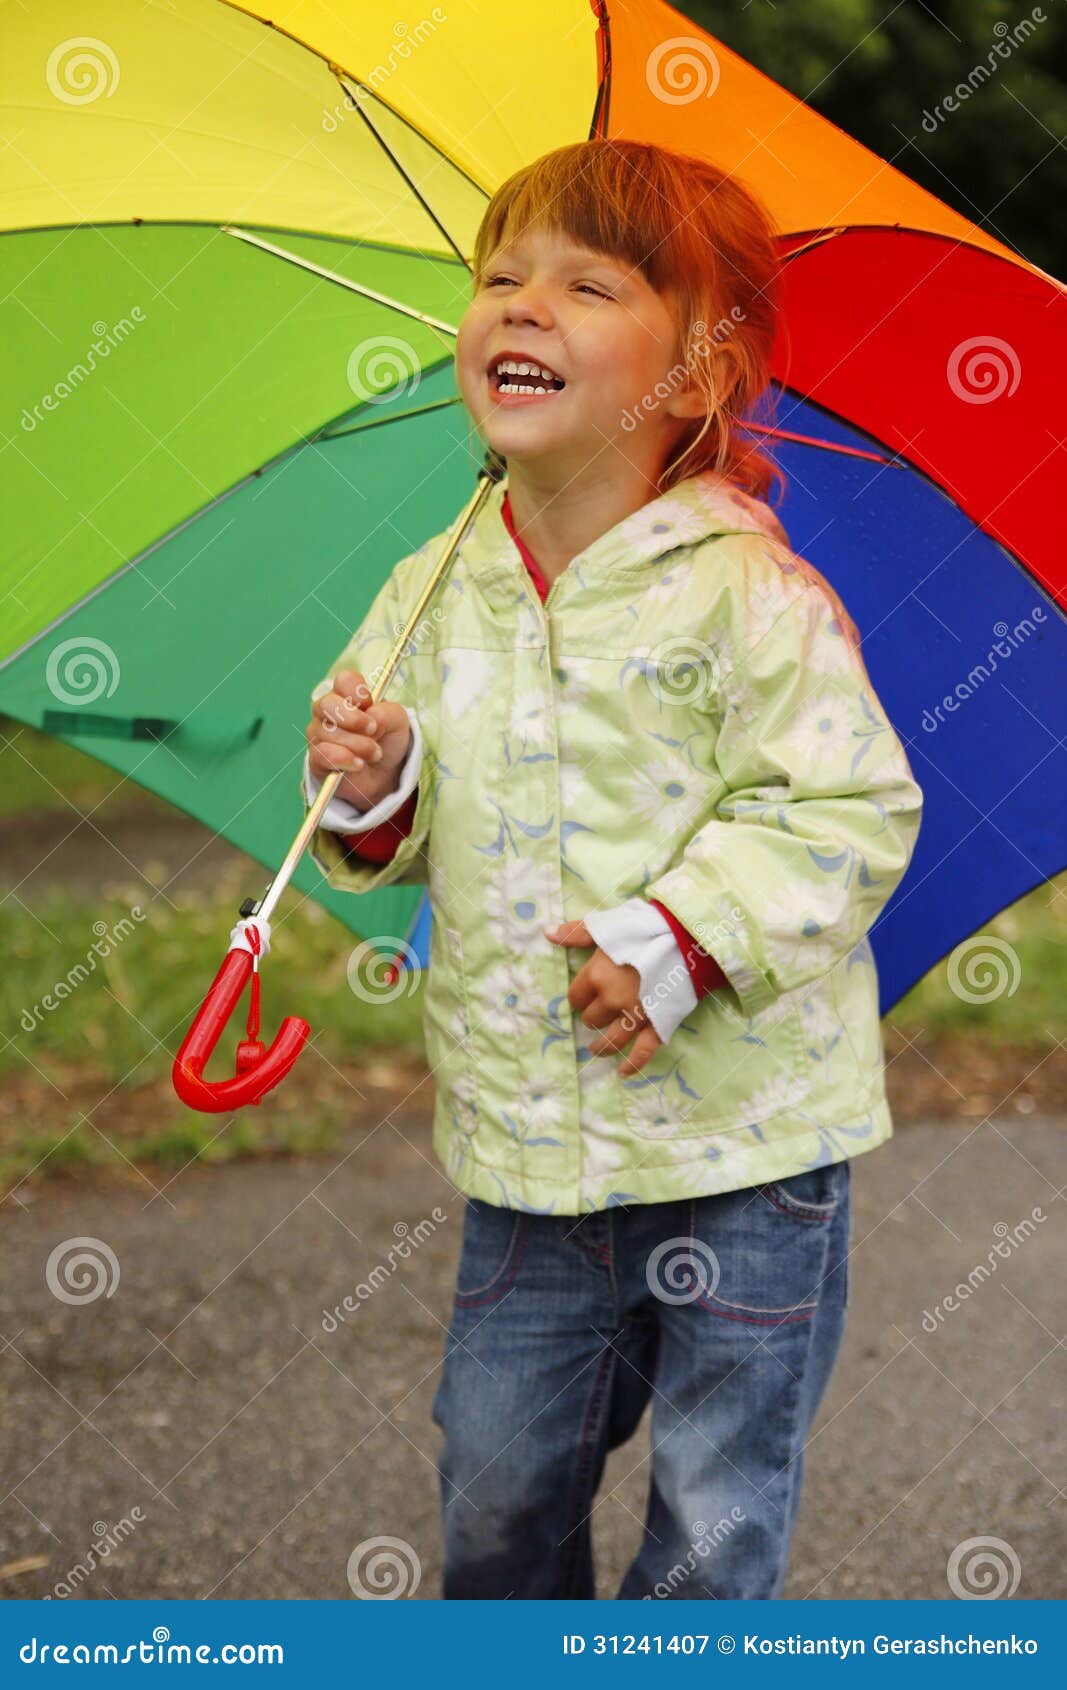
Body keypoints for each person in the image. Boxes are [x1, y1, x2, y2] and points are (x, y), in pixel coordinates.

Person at [301, 139, 924, 1600]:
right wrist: (372, 775)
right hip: (526, 1154)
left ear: (696, 376)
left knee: (715, 1512)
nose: (524, 305)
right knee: (500, 1480)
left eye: (588, 284)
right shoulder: (428, 591)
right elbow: (382, 833)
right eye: (501, 275)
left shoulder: (751, 593)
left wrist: (681, 934)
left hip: (746, 1157)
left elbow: (847, 804)